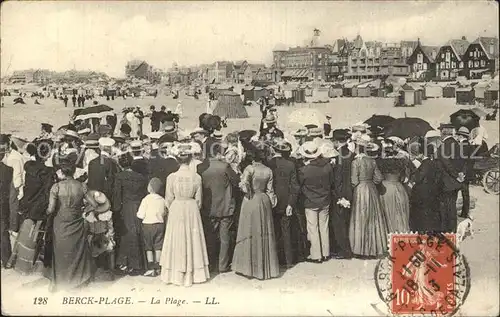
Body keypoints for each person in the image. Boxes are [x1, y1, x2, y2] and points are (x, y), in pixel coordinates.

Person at [160, 143, 210, 286]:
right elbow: (199, 200)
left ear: (177, 159)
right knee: (192, 238)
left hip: (177, 207)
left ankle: (176, 274)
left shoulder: (172, 177)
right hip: (191, 207)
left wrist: (173, 209)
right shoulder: (197, 177)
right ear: (190, 159)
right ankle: (192, 274)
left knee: (177, 238)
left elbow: (168, 198)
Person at [232, 142, 279, 280]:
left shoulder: (249, 169)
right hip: (264, 200)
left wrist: (242, 184)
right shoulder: (268, 170)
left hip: (251, 200)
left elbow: (245, 187)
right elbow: (271, 191)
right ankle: (264, 268)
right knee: (263, 232)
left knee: (248, 231)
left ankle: (248, 267)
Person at [7, 141, 56, 273]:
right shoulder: (49, 172)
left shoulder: (29, 166)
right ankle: (36, 264)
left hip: (28, 204)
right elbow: (47, 192)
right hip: (40, 206)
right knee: (38, 237)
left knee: (25, 234)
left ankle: (17, 261)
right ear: (47, 155)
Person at [46, 162, 96, 292]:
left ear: (62, 172)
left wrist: (46, 212)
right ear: (74, 172)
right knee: (76, 250)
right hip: (76, 220)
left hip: (61, 221)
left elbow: (51, 210)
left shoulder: (56, 187)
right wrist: (85, 210)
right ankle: (78, 280)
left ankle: (60, 281)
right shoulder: (82, 186)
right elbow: (94, 204)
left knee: (60, 251)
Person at [197, 144, 240, 274]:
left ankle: (210, 263)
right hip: (226, 206)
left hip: (208, 207)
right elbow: (236, 181)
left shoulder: (201, 168)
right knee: (224, 236)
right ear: (218, 153)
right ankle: (223, 265)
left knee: (210, 236)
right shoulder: (225, 166)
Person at [349, 136, 388, 259]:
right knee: (373, 217)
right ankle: (373, 248)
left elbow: (354, 181)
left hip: (361, 189)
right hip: (371, 189)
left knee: (360, 217)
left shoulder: (355, 162)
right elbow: (379, 178)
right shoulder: (372, 161)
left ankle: (361, 249)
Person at [298, 141, 335, 263]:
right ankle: (326, 253)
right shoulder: (327, 166)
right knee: (324, 227)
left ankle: (316, 255)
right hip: (325, 199)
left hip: (310, 201)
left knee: (313, 228)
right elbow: (331, 183)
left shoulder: (304, 170)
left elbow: (300, 185)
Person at [113, 153, 148, 275]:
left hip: (126, 208)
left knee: (126, 235)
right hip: (138, 206)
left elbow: (117, 195)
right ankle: (139, 263)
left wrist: (115, 210)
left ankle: (126, 263)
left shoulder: (119, 176)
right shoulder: (141, 177)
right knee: (138, 233)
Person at [267, 139, 299, 268]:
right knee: (286, 231)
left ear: (274, 150)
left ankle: (275, 259)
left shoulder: (268, 164)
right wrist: (291, 203)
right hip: (286, 201)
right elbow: (294, 186)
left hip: (272, 201)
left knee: (273, 230)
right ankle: (288, 260)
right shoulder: (290, 165)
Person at [436, 123, 465, 233]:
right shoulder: (457, 144)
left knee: (444, 207)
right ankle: (452, 230)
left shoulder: (445, 145)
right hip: (454, 182)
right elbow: (462, 161)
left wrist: (455, 175)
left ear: (443, 132)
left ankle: (445, 231)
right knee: (452, 206)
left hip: (446, 181)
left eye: (440, 131)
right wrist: (460, 174)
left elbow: (446, 162)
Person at [408, 141, 442, 233]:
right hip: (432, 191)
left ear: (422, 154)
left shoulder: (425, 164)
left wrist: (413, 169)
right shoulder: (433, 163)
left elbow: (418, 178)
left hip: (423, 192)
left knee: (422, 214)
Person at [331, 129, 354, 259]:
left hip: (341, 193)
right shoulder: (350, 153)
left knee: (339, 223)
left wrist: (339, 196)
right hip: (349, 190)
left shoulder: (339, 156)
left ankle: (344, 250)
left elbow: (338, 178)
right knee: (346, 221)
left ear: (336, 141)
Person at [137, 178, 166, 277]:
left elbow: (140, 215)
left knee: (148, 247)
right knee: (158, 246)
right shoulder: (162, 199)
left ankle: (150, 268)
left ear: (150, 188)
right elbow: (165, 212)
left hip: (148, 225)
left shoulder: (146, 199)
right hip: (160, 225)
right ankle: (158, 268)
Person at [82, 190, 115, 279]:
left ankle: (91, 275)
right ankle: (112, 273)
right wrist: (110, 236)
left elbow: (85, 229)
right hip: (105, 238)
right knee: (110, 249)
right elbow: (110, 227)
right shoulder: (107, 214)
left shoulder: (88, 215)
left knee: (89, 251)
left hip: (93, 238)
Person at [376, 156, 410, 233]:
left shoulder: (380, 164)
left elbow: (378, 178)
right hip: (399, 188)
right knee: (401, 213)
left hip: (387, 189)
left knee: (389, 213)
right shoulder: (401, 164)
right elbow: (404, 179)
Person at [0, 134, 25, 236]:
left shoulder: (15, 157)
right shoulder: (6, 153)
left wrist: (16, 188)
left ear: (8, 144)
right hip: (6, 182)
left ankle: (13, 228)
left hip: (14, 183)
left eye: (2, 144)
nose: (1, 147)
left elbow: (18, 175)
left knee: (13, 205)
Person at [0, 144, 17, 269]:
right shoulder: (9, 170)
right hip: (3, 204)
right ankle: (6, 261)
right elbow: (12, 192)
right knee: (3, 232)